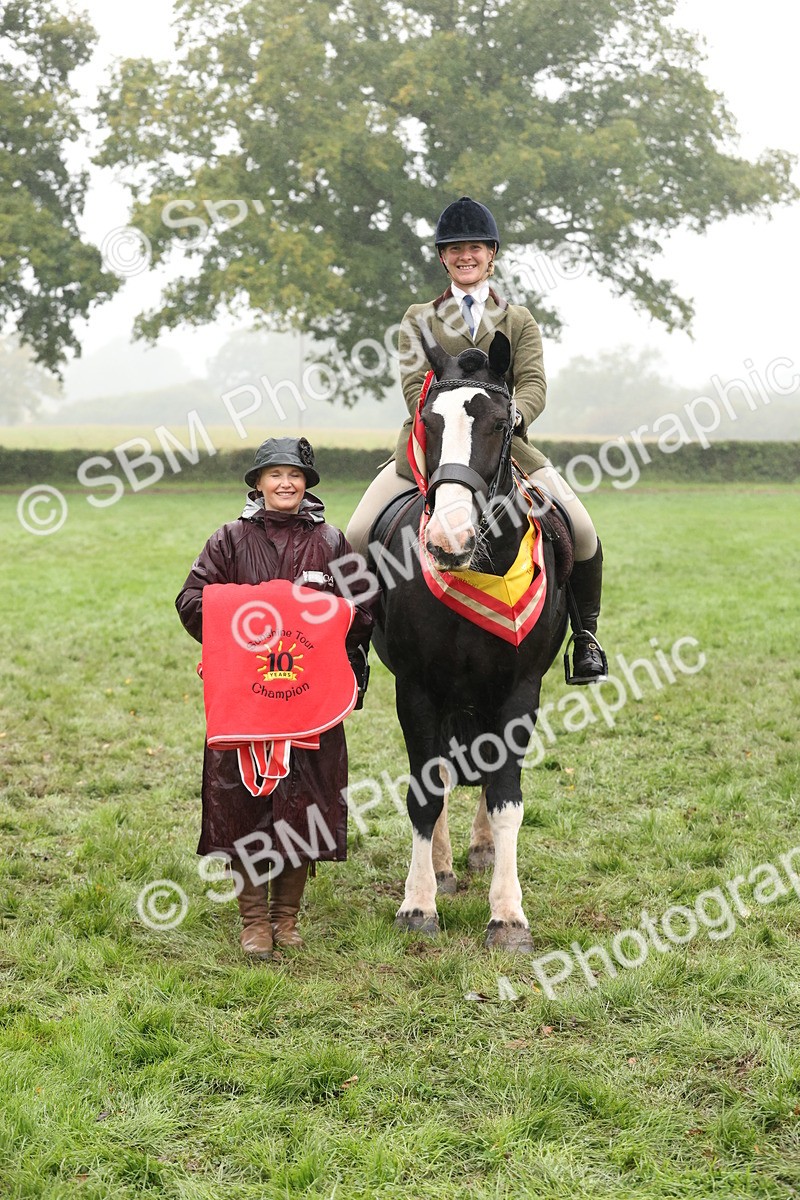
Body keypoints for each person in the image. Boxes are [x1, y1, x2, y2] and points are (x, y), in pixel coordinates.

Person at [345, 195, 607, 683]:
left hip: (504, 443)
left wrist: (515, 416)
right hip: (431, 443)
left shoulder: (519, 319)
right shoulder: (419, 317)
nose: (466, 256)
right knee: (357, 535)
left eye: (476, 248)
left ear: (492, 254)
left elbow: (532, 383)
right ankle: (355, 645)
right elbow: (411, 384)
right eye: (455, 248)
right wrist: (437, 419)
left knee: (582, 527)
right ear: (443, 257)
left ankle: (585, 636)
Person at [176, 436, 373, 959]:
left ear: (307, 483)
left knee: (301, 805)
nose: (285, 484)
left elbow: (363, 607)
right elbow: (192, 600)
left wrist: (323, 615)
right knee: (242, 804)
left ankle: (287, 918)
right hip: (246, 700)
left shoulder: (332, 542)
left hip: (308, 699)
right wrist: (260, 605)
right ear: (258, 482)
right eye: (275, 475)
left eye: (295, 475)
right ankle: (253, 920)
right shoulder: (229, 540)